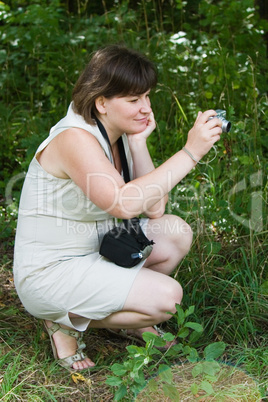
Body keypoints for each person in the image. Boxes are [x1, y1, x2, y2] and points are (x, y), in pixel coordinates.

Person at [13, 45, 223, 371]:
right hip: (50, 273)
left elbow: (154, 209)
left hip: (96, 252)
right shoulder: (74, 139)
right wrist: (190, 152)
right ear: (101, 102)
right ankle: (61, 322)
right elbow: (124, 204)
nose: (145, 108)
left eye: (147, 97)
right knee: (169, 299)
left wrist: (138, 144)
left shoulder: (115, 132)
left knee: (175, 232)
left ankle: (129, 317)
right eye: (133, 100)